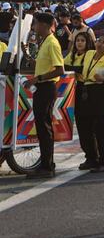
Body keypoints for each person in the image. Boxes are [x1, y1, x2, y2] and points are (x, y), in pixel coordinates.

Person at [23, 12, 64, 179]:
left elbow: (59, 69)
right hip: (41, 88)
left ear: (45, 25)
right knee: (41, 126)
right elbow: (41, 65)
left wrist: (36, 79)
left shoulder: (52, 43)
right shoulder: (44, 42)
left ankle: (47, 166)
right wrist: (26, 55)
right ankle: (45, 163)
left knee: (44, 127)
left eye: (37, 24)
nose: (34, 27)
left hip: (47, 88)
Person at [75, 32, 104, 172]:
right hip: (85, 92)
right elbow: (79, 65)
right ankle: (91, 158)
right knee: (84, 128)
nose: (101, 44)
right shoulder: (89, 53)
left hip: (99, 94)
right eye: (99, 41)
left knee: (102, 131)